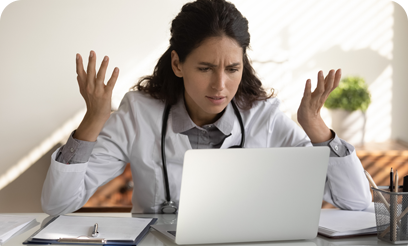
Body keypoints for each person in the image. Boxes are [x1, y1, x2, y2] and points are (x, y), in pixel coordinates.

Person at [41, 0, 371, 216]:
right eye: (204, 68)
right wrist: (94, 119)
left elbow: (356, 203)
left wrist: (316, 127)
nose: (220, 86)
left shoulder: (263, 116)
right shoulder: (139, 113)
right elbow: (58, 204)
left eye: (232, 69)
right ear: (178, 63)